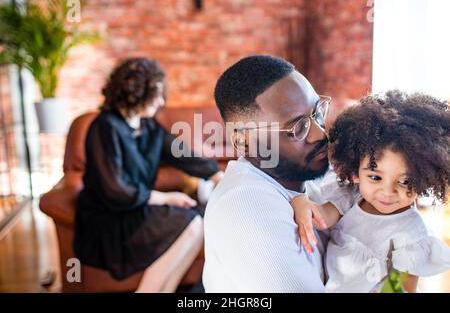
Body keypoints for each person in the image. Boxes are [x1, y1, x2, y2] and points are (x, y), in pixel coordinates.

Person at [74, 57, 223, 292]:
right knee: (191, 222)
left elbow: (179, 152)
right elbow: (115, 190)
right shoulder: (105, 127)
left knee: (199, 222)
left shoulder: (148, 126)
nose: (162, 101)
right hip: (109, 219)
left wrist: (216, 175)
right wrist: (165, 198)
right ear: (135, 91)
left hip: (136, 209)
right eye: (156, 94)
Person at [203, 55, 349, 292]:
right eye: (297, 127)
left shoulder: (312, 171)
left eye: (317, 113)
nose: (319, 134)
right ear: (244, 141)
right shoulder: (245, 206)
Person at [291, 90, 450, 292]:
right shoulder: (350, 195)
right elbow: (322, 217)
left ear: (424, 177)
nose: (388, 191)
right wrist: (301, 202)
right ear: (356, 171)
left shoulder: (411, 234)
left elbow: (402, 288)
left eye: (405, 181)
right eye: (375, 177)